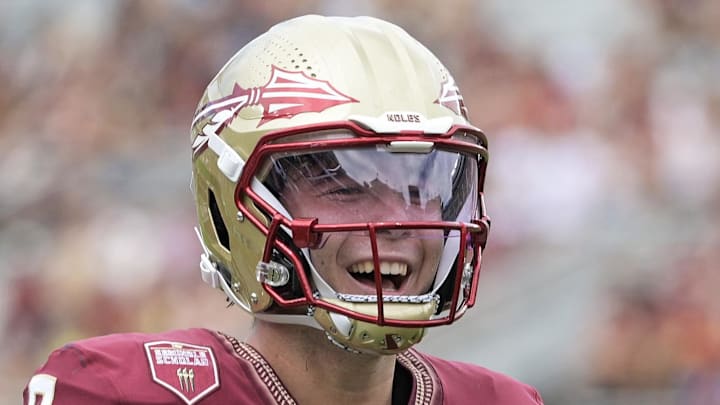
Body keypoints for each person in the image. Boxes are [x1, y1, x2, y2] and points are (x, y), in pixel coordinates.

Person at [24, 15, 543, 404]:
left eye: (422, 188)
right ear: (229, 209)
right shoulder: (118, 390)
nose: (396, 221)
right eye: (345, 186)